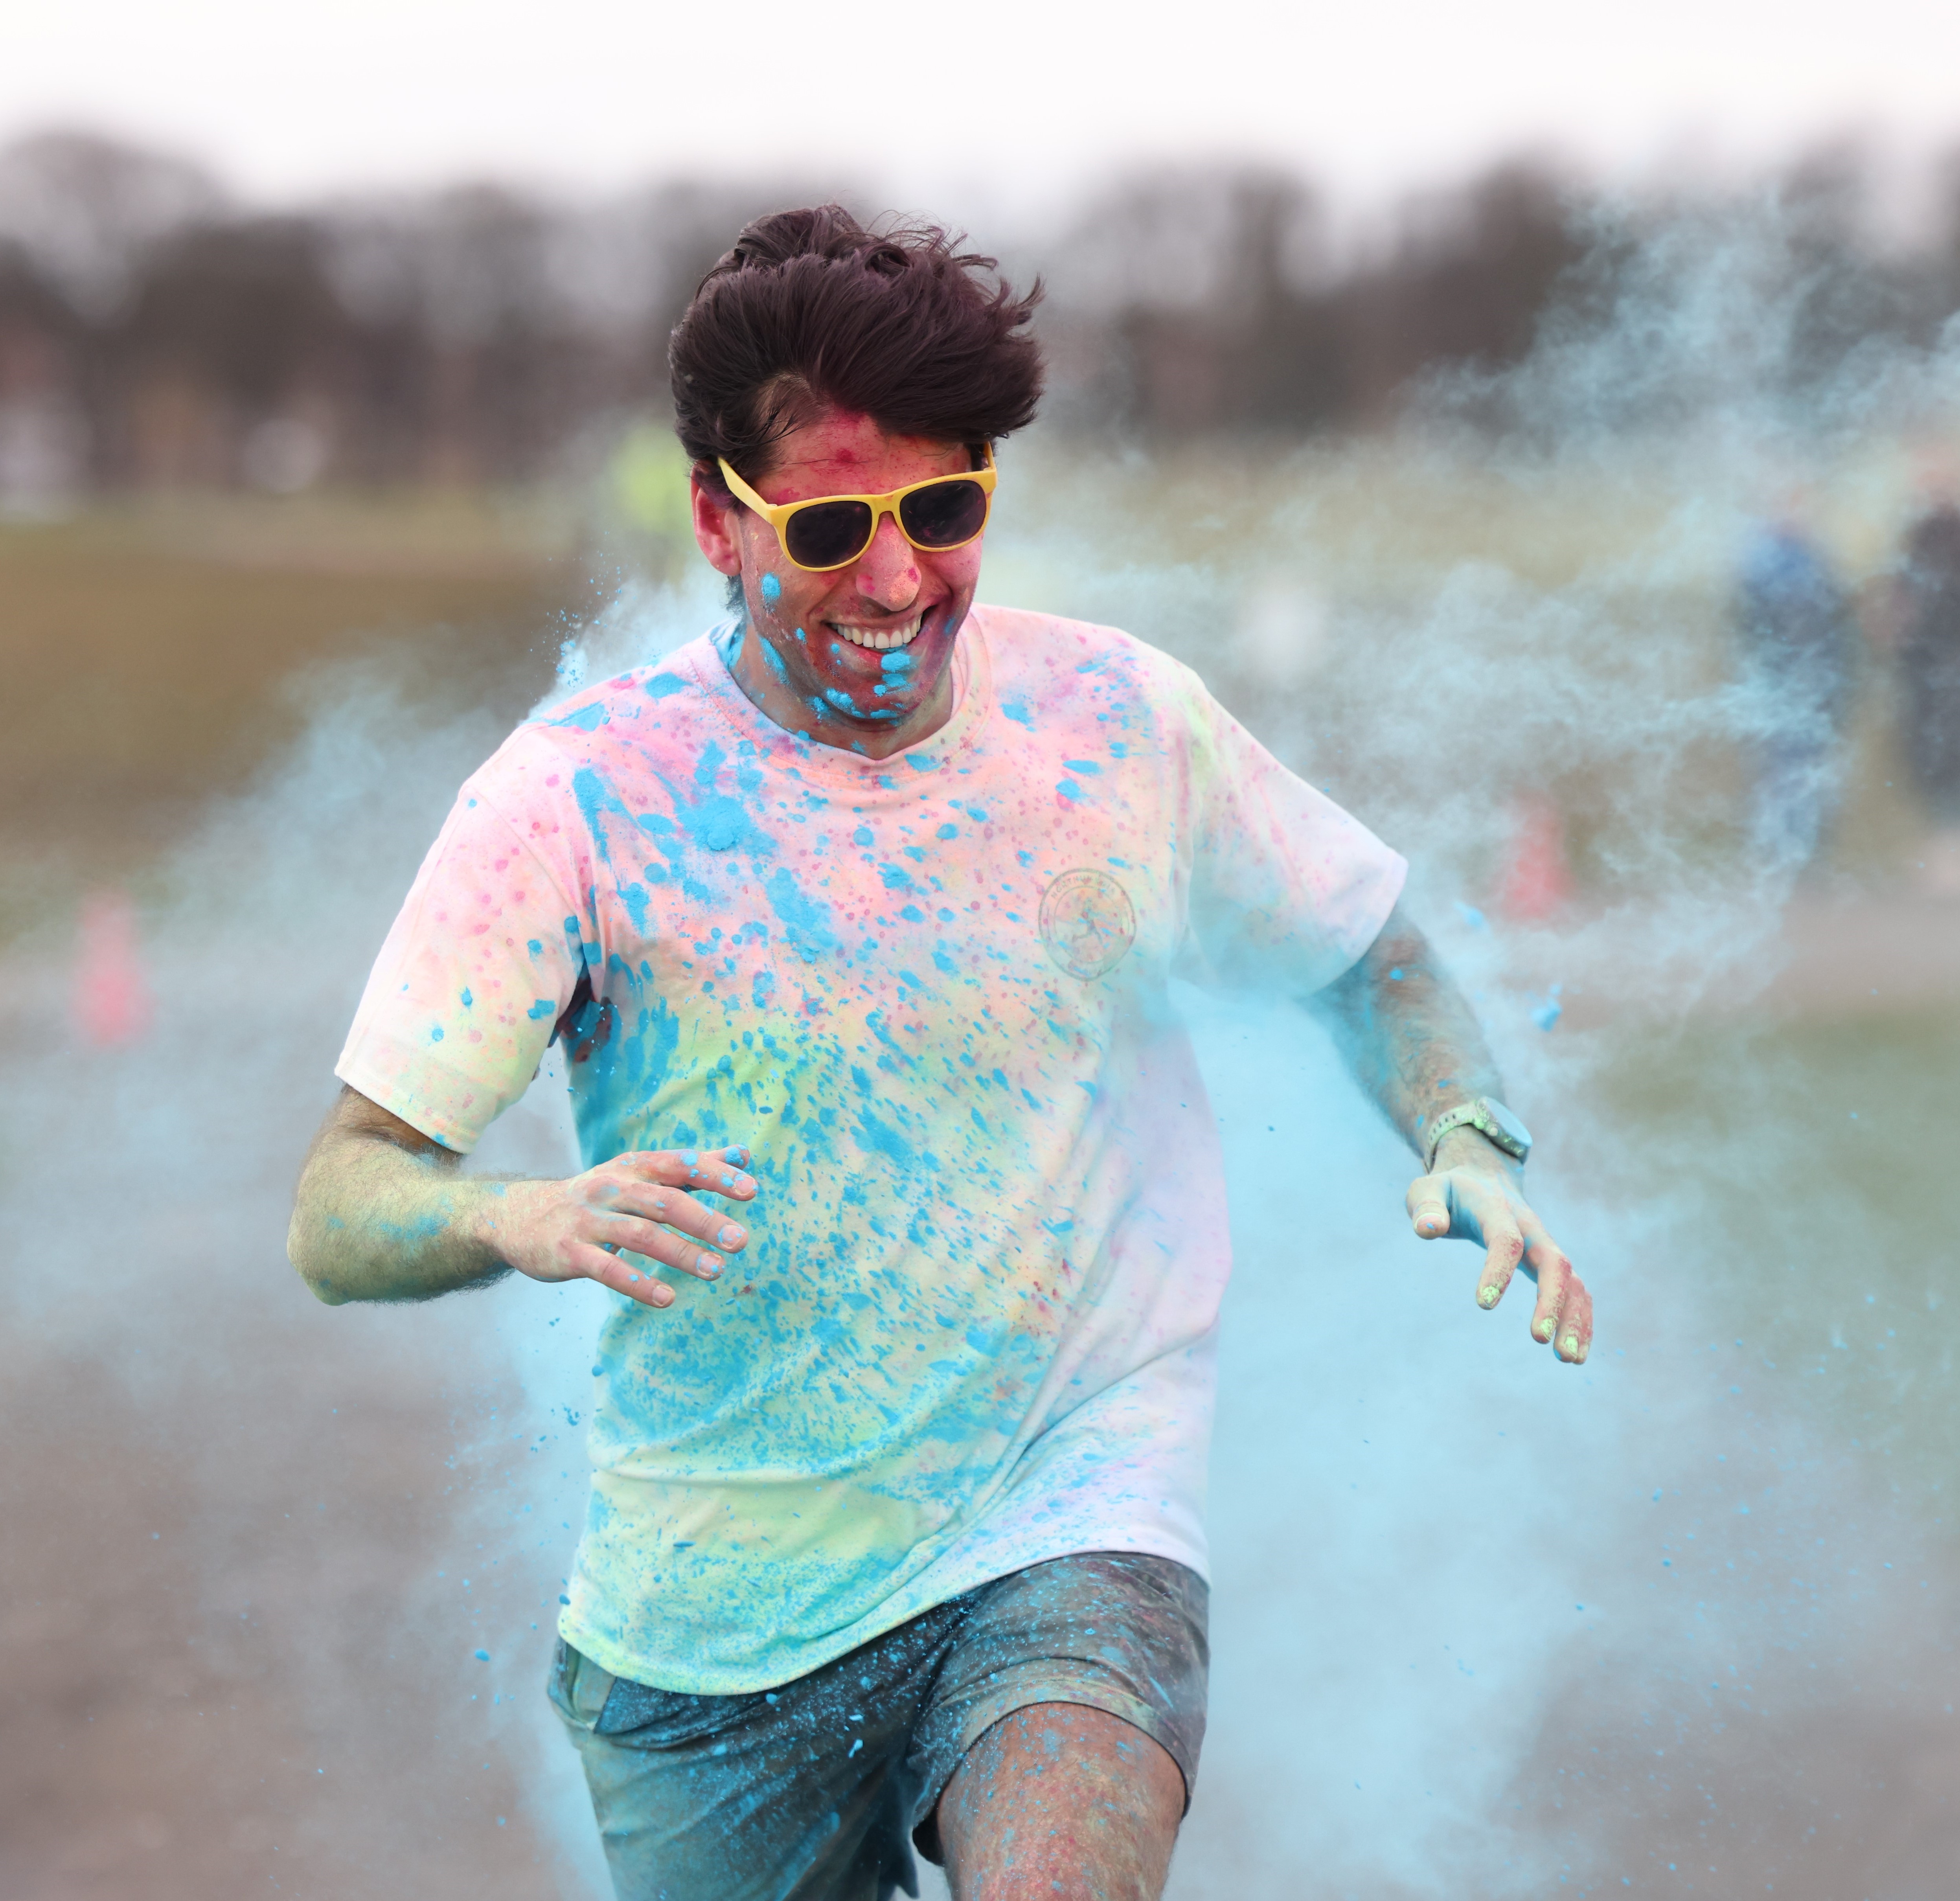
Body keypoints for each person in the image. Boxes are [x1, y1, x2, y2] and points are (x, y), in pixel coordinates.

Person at [286, 207, 1590, 1901]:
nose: (899, 583)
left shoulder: (1119, 725)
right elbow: (340, 1201)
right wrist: (510, 1218)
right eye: (829, 526)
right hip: (715, 1615)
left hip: (1066, 1512)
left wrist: (1465, 1136)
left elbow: (1369, 955)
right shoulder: (576, 796)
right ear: (712, 518)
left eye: (946, 510)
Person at [1878, 446, 1960, 897]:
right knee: (1929, 756)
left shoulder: (1954, 530)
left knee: (1953, 758)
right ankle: (1946, 848)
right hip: (1926, 666)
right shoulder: (1924, 529)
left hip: (1950, 665)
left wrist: (1910, 618)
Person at [1731, 490, 1864, 879]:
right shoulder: (1761, 562)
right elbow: (1749, 630)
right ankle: (1776, 852)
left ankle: (1809, 855)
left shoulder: (1817, 560)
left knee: (1812, 773)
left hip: (1817, 685)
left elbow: (1839, 629)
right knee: (1776, 772)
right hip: (1778, 684)